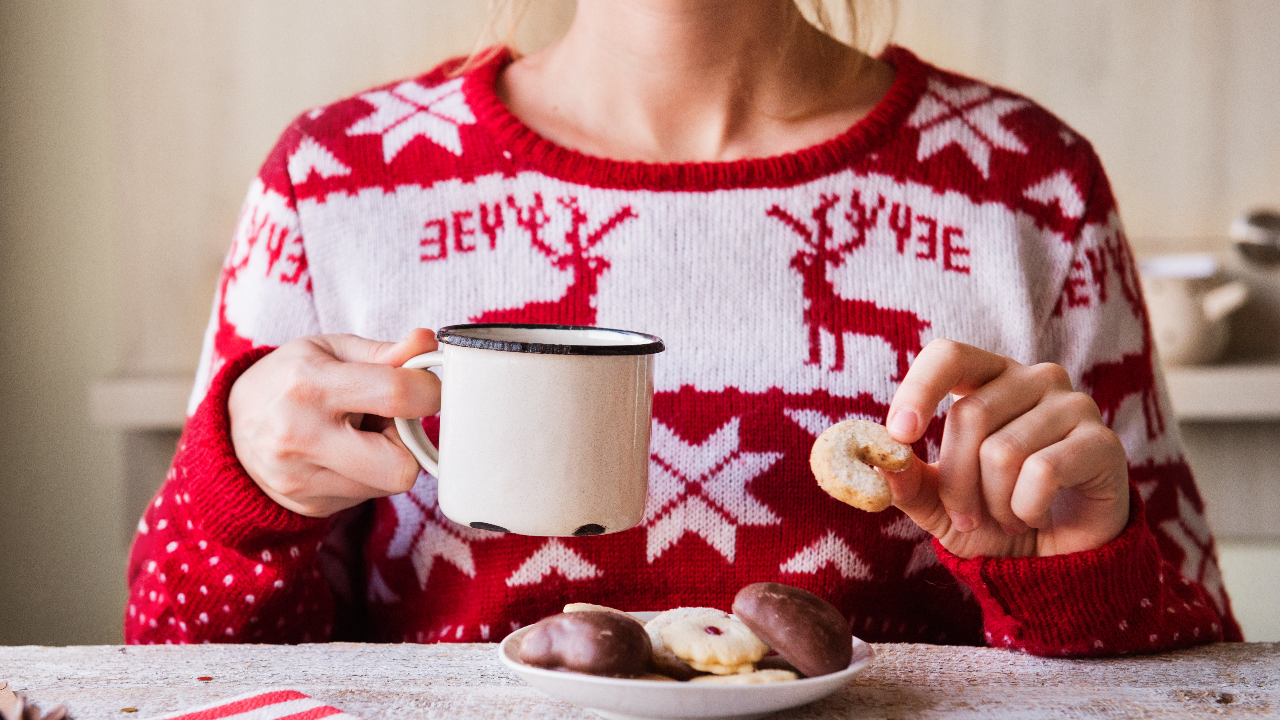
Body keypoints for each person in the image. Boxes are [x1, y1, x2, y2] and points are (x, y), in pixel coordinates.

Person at [125, 0, 1243, 653]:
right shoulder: (335, 184)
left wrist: (1070, 574)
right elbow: (175, 671)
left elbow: (1190, 678)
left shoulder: (1024, 184)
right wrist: (240, 499)